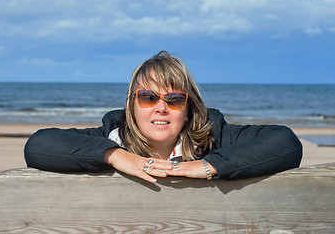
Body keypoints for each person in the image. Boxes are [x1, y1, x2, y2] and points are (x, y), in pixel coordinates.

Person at [24, 50, 302, 183]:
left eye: (174, 99)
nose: (161, 107)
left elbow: (286, 142)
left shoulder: (216, 136)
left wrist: (209, 165)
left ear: (189, 107)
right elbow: (38, 145)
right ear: (132, 104)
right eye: (148, 97)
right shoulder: (110, 136)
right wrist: (118, 156)